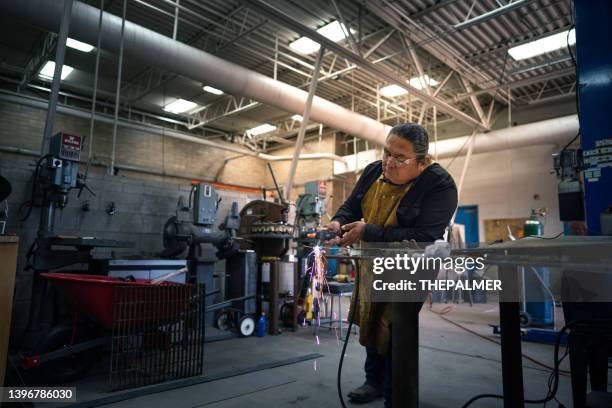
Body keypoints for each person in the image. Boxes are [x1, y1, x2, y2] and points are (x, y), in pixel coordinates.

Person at [326, 123, 457, 407]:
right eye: (387, 152)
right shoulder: (374, 171)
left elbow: (424, 239)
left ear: (422, 163)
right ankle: (373, 381)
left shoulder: (440, 185)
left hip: (413, 269)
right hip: (373, 264)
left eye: (400, 158)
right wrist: (338, 220)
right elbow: (352, 205)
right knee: (371, 320)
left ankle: (398, 394)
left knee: (397, 328)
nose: (389, 162)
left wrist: (368, 231)